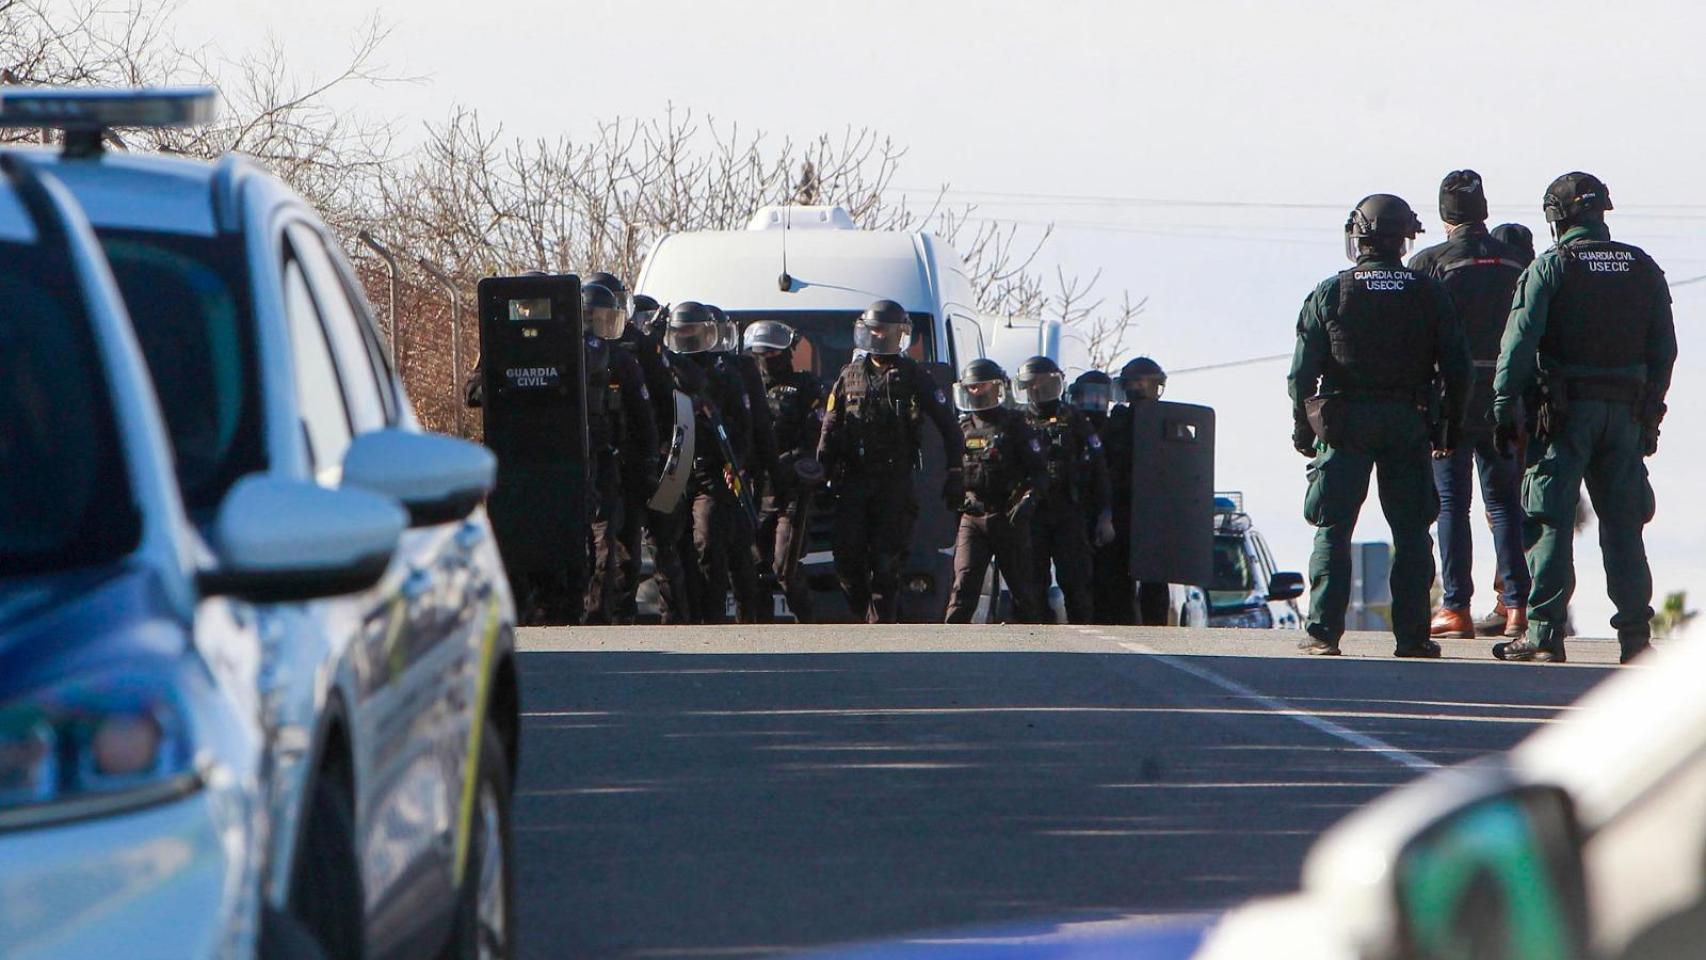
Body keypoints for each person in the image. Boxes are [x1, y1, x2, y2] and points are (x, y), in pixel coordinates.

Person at [1490, 172, 1676, 664]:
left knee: (1550, 518)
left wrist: (1504, 406)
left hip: (1564, 416)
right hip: (1626, 413)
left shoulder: (1552, 267)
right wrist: (1651, 411)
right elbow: (1665, 350)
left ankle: (1544, 634)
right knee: (1624, 525)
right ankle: (1635, 639)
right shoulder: (1642, 266)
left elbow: (1519, 343)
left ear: (1557, 218)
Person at [1289, 193, 1472, 658]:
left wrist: (1303, 429)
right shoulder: (1428, 292)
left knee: (1333, 527)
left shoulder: (1331, 291)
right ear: (1404, 239)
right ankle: (1413, 637)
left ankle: (1323, 633)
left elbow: (1301, 374)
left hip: (1344, 423)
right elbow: (1458, 366)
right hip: (1408, 422)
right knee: (1412, 531)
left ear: (1359, 237)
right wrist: (1450, 426)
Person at [1407, 171, 1533, 642]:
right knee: (1504, 504)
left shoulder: (1429, 263)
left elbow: (1417, 338)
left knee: (1451, 504)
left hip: (1450, 400)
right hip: (1506, 396)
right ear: (1484, 210)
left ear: (1445, 216)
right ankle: (1516, 606)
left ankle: (1455, 607)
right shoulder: (1518, 261)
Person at [817, 299, 964, 623]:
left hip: (894, 481)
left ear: (900, 334)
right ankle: (868, 616)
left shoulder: (914, 376)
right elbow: (830, 425)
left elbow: (949, 426)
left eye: (887, 331)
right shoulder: (849, 375)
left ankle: (881, 629)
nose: (880, 337)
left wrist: (955, 471)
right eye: (876, 330)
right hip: (854, 481)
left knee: (886, 562)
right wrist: (822, 469)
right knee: (846, 558)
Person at [944, 359, 1051, 623]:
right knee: (963, 584)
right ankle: (949, 643)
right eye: (972, 387)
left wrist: (1028, 499)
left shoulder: (1016, 426)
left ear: (996, 387)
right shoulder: (961, 428)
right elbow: (948, 470)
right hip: (973, 517)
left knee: (1022, 591)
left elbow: (1040, 471)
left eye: (982, 386)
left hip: (1008, 517)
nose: (977, 391)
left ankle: (1033, 643)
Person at [581, 282, 659, 623]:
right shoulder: (562, 352)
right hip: (573, 458)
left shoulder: (623, 359)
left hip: (611, 456)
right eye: (589, 317)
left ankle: (605, 612)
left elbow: (644, 414)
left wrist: (649, 461)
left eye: (601, 318)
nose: (595, 326)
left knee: (610, 538)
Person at [1017, 356, 1112, 623]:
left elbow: (1099, 468)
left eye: (1045, 383)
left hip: (1068, 510)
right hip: (1030, 512)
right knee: (1031, 580)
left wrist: (1105, 515)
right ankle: (1038, 635)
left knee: (1075, 580)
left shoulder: (1074, 420)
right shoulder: (1017, 421)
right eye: (1032, 383)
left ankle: (1081, 636)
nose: (1038, 389)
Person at [745, 320, 825, 621]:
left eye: (772, 354)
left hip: (791, 487)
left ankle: (808, 627)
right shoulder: (746, 388)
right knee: (755, 570)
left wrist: (791, 463)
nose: (766, 360)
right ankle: (761, 636)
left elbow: (816, 436)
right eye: (760, 354)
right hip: (756, 489)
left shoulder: (805, 387)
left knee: (784, 569)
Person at [704, 304, 774, 622]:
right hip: (701, 467)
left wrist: (752, 466)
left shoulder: (740, 369)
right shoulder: (686, 366)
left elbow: (756, 424)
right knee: (710, 546)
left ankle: (748, 616)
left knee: (740, 545)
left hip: (738, 468)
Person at [1095, 357, 1172, 625]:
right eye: (1134, 383)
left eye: (1143, 382)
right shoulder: (1115, 425)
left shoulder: (1170, 422)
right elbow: (1103, 472)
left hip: (1154, 514)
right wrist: (1105, 514)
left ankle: (1155, 634)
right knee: (1117, 582)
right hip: (1121, 510)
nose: (1138, 388)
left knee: (1155, 582)